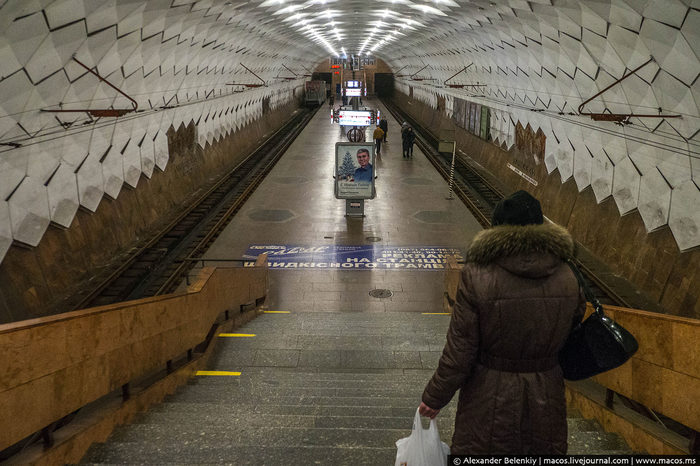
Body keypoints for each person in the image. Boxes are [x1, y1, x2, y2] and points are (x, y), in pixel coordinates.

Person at [418, 190, 585, 455]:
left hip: (488, 395)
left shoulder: (478, 276)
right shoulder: (568, 275)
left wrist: (435, 397)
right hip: (546, 394)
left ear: (496, 229)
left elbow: (461, 350)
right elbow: (573, 329)